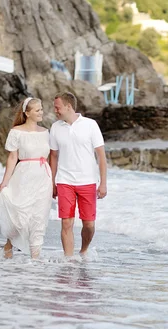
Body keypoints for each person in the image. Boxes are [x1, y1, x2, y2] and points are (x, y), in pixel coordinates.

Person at [0, 97, 53, 259]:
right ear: (27, 113)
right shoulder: (16, 132)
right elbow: (12, 158)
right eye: (37, 110)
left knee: (39, 217)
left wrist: (54, 180)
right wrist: (5, 182)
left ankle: (35, 260)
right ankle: (9, 246)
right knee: (20, 217)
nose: (41, 112)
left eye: (41, 109)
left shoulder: (45, 132)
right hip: (24, 176)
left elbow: (51, 157)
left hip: (44, 177)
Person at [49, 92, 107, 257]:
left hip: (87, 181)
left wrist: (103, 183)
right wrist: (52, 182)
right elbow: (53, 156)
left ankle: (83, 251)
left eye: (57, 107)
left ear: (68, 107)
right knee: (66, 222)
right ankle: (69, 260)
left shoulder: (90, 125)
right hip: (64, 181)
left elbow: (101, 156)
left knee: (88, 224)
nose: (55, 111)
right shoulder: (55, 127)